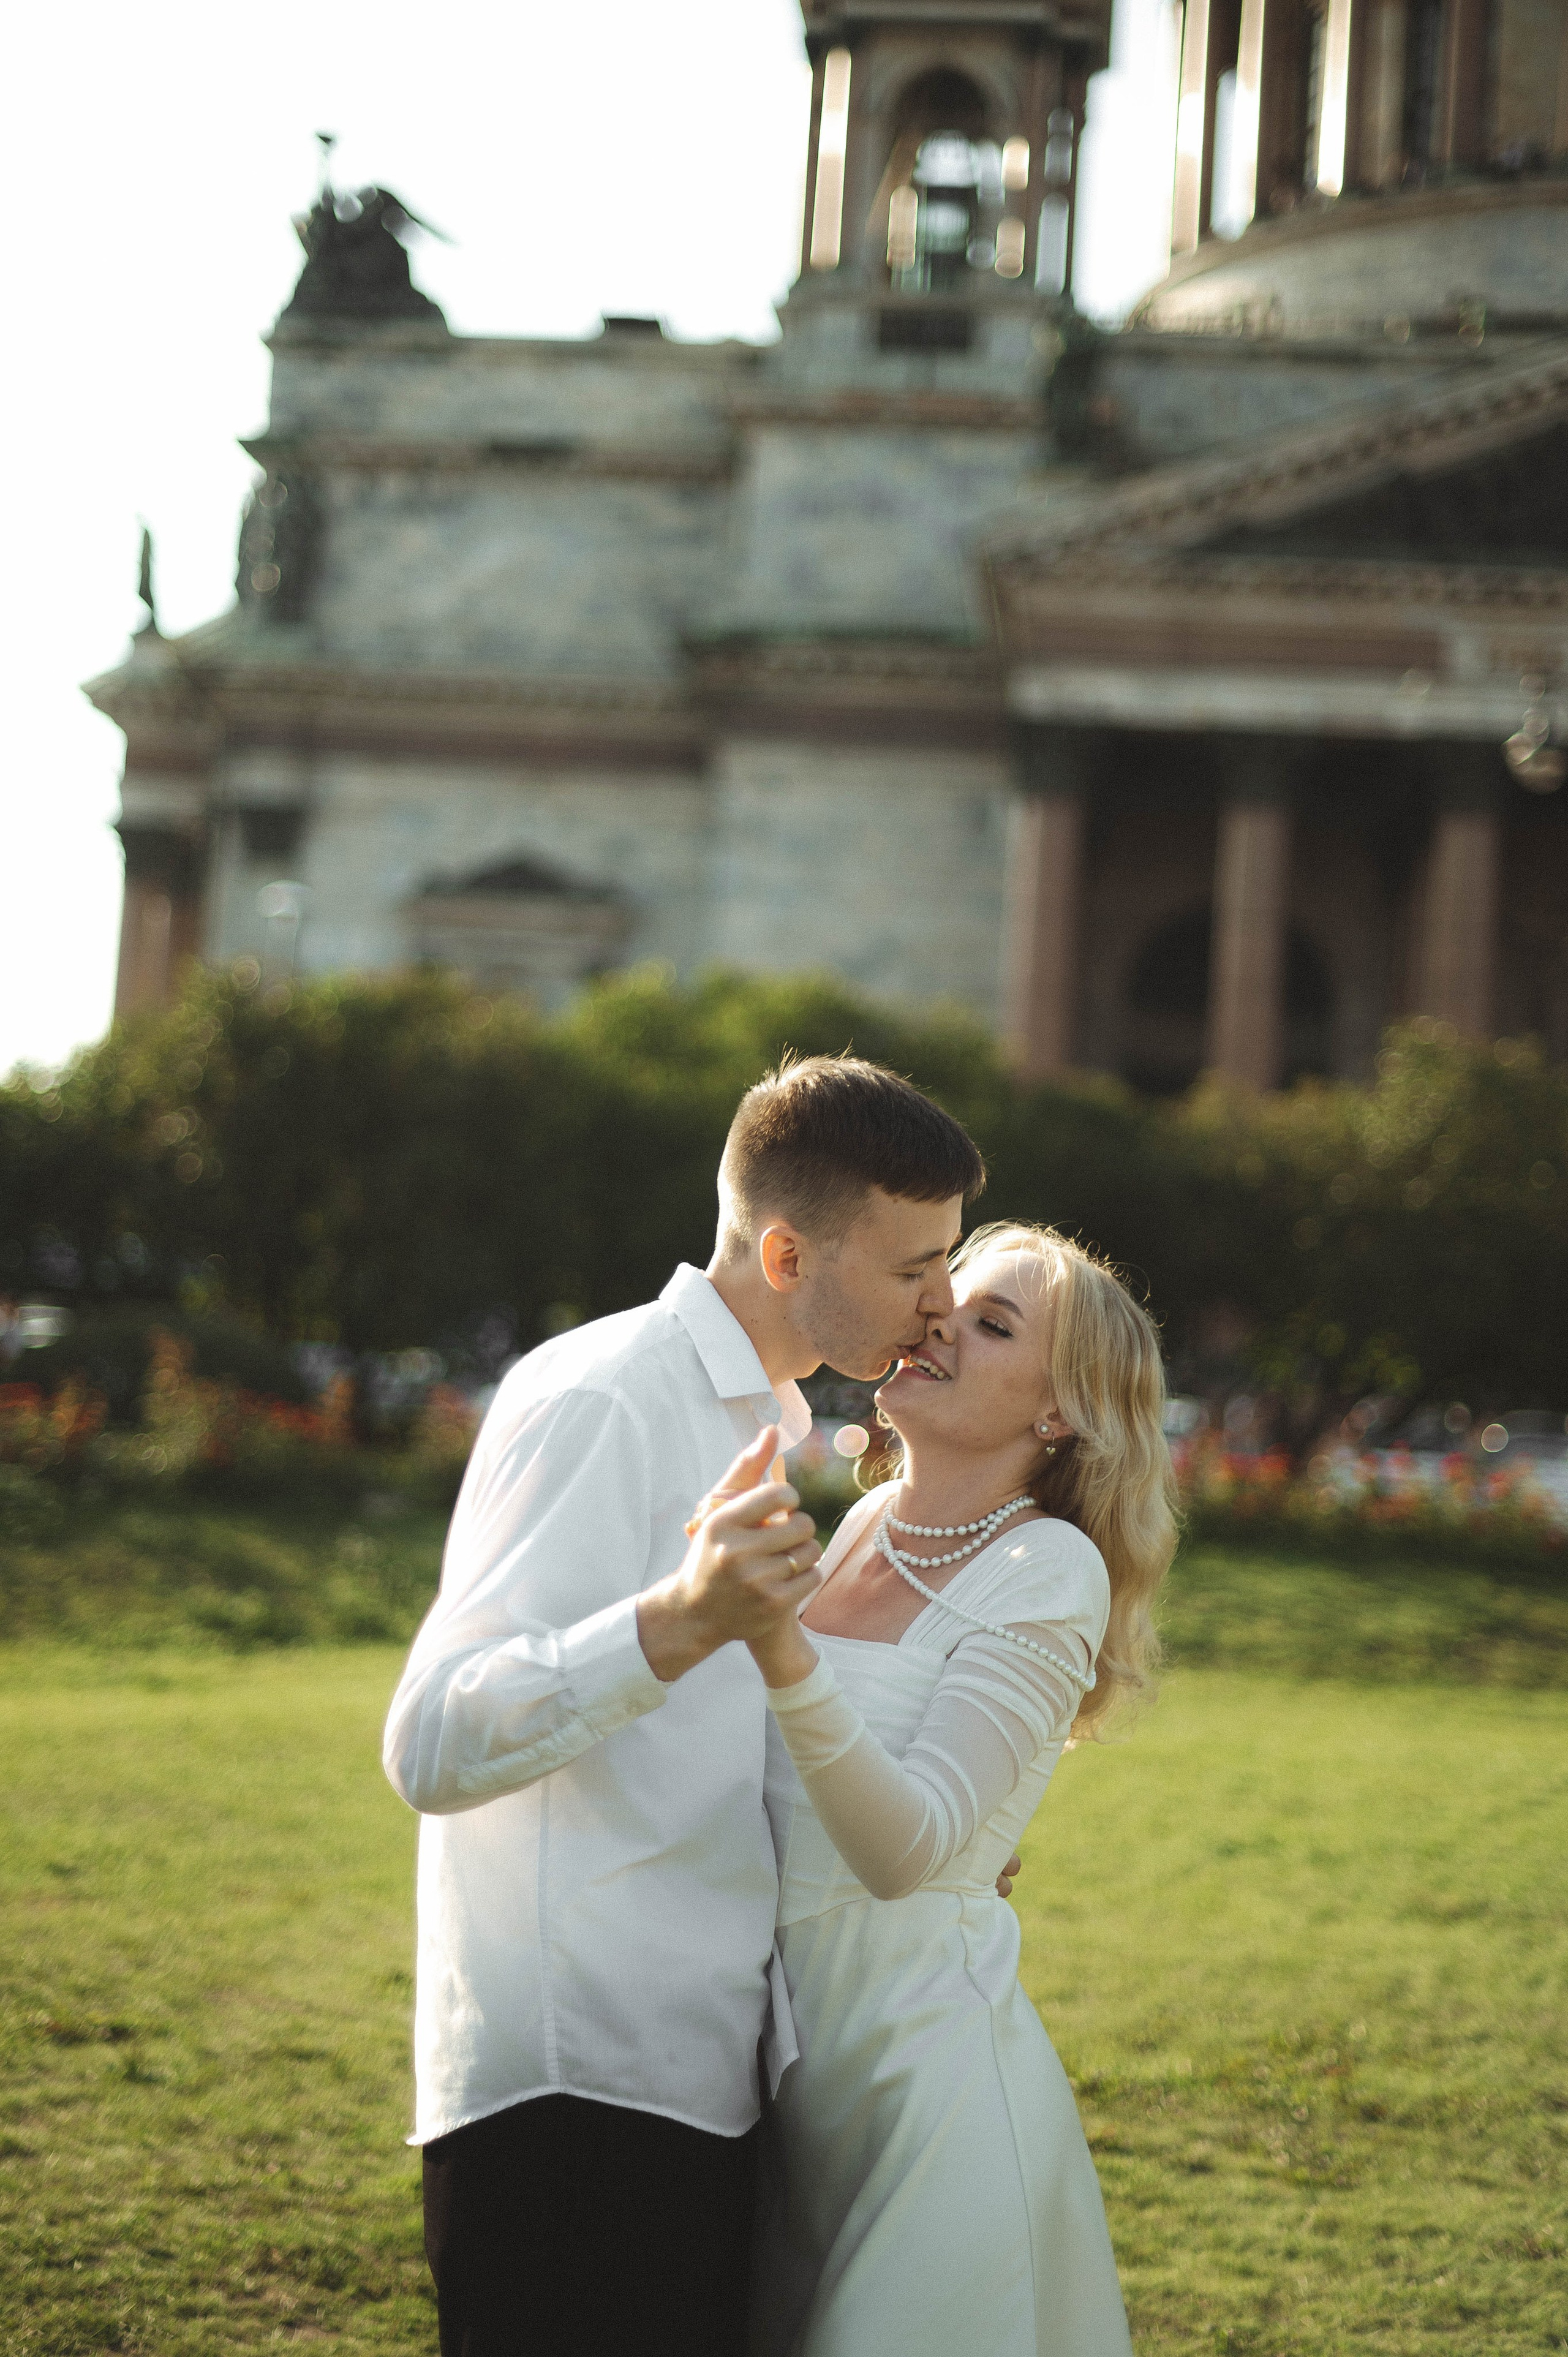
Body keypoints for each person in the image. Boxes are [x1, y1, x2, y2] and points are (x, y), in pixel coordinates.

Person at [382, 1055, 987, 2357]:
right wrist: (677, 1620)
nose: (943, 1303)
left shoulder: (759, 1418)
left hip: (700, 2074)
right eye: (911, 1266)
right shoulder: (606, 1396)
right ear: (784, 1255)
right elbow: (431, 1737)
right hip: (571, 2092)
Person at [746, 1221, 1178, 2357]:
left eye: (992, 1326)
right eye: (946, 1299)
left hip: (921, 2087)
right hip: (785, 2083)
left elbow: (910, 1854)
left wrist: (774, 1649)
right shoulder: (864, 1523)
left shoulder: (1051, 1569)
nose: (938, 1323)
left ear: (1060, 1414)